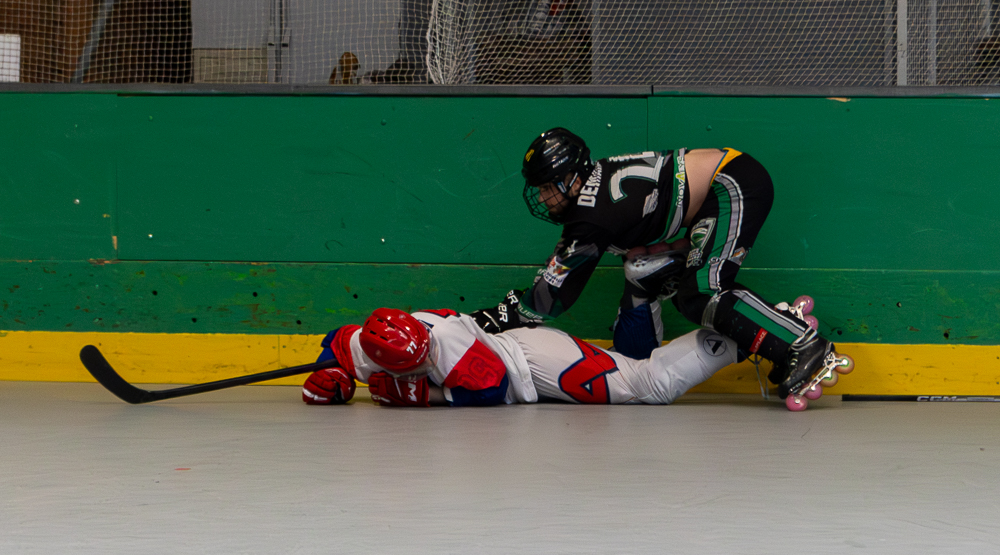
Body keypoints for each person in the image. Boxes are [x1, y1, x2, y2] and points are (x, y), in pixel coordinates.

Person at [472, 127, 842, 400]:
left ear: (571, 179)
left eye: (546, 186)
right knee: (649, 277)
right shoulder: (592, 192)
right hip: (709, 198)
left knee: (703, 290)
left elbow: (552, 296)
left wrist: (502, 316)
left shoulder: (589, 216)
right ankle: (641, 364)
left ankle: (801, 343)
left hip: (731, 183)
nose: (541, 196)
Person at [300, 306, 737, 407]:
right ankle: (645, 299)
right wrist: (331, 376)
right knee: (635, 368)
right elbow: (335, 343)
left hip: (533, 363)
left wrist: (419, 395)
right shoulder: (370, 342)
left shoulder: (448, 340)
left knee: (649, 386)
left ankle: (737, 336)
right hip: (518, 353)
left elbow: (493, 390)